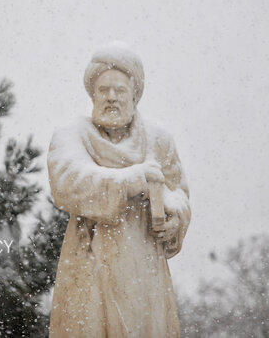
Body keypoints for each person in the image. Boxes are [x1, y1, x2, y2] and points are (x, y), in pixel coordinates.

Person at [47, 41, 191, 337]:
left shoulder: (158, 140)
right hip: (89, 264)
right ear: (93, 94)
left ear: (135, 95)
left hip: (143, 268)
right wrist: (131, 180)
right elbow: (67, 183)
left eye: (120, 90)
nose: (111, 98)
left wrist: (175, 219)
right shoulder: (72, 136)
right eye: (103, 90)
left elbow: (178, 194)